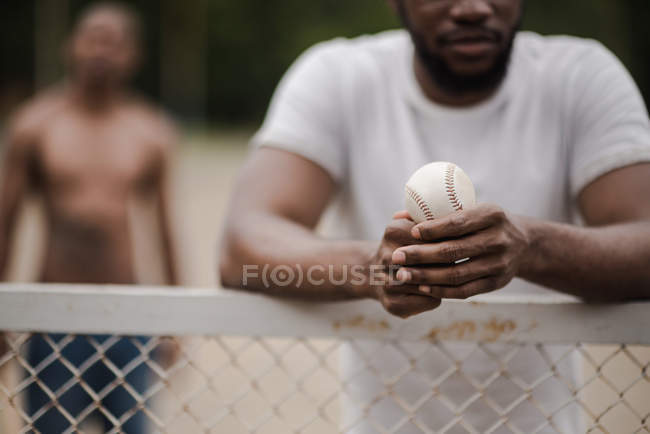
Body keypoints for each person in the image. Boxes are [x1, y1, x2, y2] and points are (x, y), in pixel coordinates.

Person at [220, 0, 650, 432]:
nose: (472, 8)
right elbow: (241, 251)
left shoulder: (582, 75)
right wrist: (369, 270)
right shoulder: (339, 76)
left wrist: (532, 248)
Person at [0, 3, 178, 432]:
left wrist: (173, 320)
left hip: (128, 317)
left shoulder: (150, 130)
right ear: (72, 46)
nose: (102, 50)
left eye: (114, 42)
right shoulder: (36, 125)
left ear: (133, 55)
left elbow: (166, 231)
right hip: (53, 317)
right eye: (93, 37)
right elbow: (5, 224)